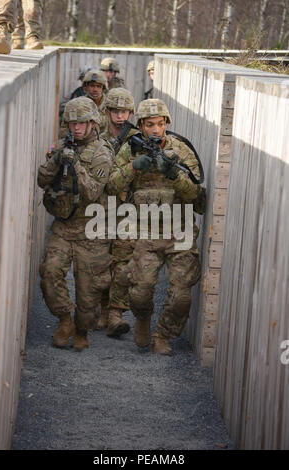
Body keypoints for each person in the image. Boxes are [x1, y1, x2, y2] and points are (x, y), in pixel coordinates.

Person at [106, 98, 205, 356]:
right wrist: (132, 168)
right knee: (140, 292)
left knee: (181, 295)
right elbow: (112, 187)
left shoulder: (181, 150)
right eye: (150, 124)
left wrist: (174, 174)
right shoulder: (130, 149)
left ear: (166, 125)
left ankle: (162, 335)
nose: (155, 130)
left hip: (179, 232)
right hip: (146, 233)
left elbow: (196, 196)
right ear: (140, 125)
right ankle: (142, 319)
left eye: (160, 124)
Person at [38, 97, 114, 351]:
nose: (76, 128)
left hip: (91, 229)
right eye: (72, 123)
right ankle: (65, 320)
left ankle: (82, 330)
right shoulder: (62, 147)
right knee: (49, 272)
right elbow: (41, 179)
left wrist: (76, 164)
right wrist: (57, 160)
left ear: (92, 123)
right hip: (63, 224)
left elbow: (92, 192)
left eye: (81, 123)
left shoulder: (102, 152)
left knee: (89, 289)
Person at [99, 87, 137, 337]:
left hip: (127, 210)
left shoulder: (138, 138)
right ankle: (100, 309)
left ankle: (115, 314)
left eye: (124, 111)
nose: (120, 117)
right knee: (99, 263)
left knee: (122, 266)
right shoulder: (95, 134)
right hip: (98, 210)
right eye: (115, 111)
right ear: (107, 111)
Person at [82, 69, 108, 133]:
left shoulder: (110, 104)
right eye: (92, 86)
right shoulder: (80, 104)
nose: (95, 89)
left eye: (98, 86)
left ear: (103, 88)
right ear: (86, 87)